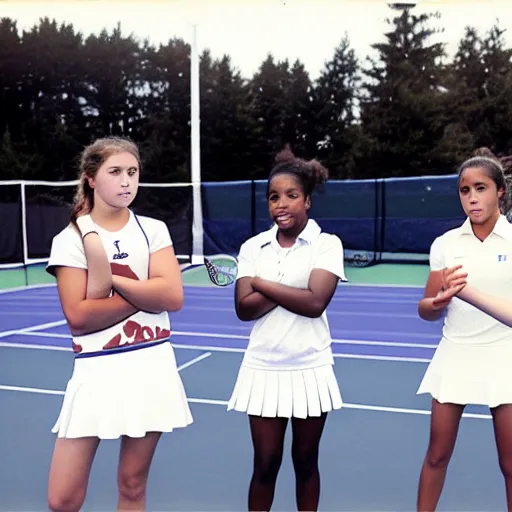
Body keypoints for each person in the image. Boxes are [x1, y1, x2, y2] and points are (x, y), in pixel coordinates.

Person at [45, 136, 193, 512]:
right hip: (96, 372)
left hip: (151, 368)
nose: (126, 181)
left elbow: (172, 298)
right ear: (91, 179)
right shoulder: (70, 239)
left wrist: (111, 282)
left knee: (132, 486)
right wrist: (144, 292)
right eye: (115, 172)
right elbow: (79, 318)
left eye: (133, 172)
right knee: (62, 500)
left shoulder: (153, 230)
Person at [227, 146, 347, 512]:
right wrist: (291, 287)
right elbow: (243, 310)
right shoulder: (253, 247)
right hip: (263, 368)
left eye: (291, 196)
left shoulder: (327, 244)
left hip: (310, 367)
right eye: (274, 197)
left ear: (307, 201)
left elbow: (314, 304)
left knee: (306, 463)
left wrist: (261, 282)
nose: (281, 204)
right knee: (265, 465)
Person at [415, 148, 512, 511]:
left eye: (481, 188)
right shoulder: (445, 245)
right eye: (464, 190)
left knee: (510, 465)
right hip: (455, 353)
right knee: (437, 456)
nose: (472, 198)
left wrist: (465, 292)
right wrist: (438, 302)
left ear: (499, 191)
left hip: (505, 356)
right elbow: (426, 310)